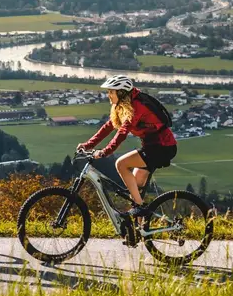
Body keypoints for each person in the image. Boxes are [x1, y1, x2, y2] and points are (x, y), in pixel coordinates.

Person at [76, 75, 177, 218]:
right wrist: (88, 145)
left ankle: (140, 208)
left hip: (162, 148)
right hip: (151, 147)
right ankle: (140, 229)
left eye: (111, 92)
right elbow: (108, 127)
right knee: (134, 188)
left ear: (122, 93)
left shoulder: (137, 107)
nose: (108, 95)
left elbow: (123, 132)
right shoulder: (123, 106)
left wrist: (105, 152)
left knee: (121, 164)